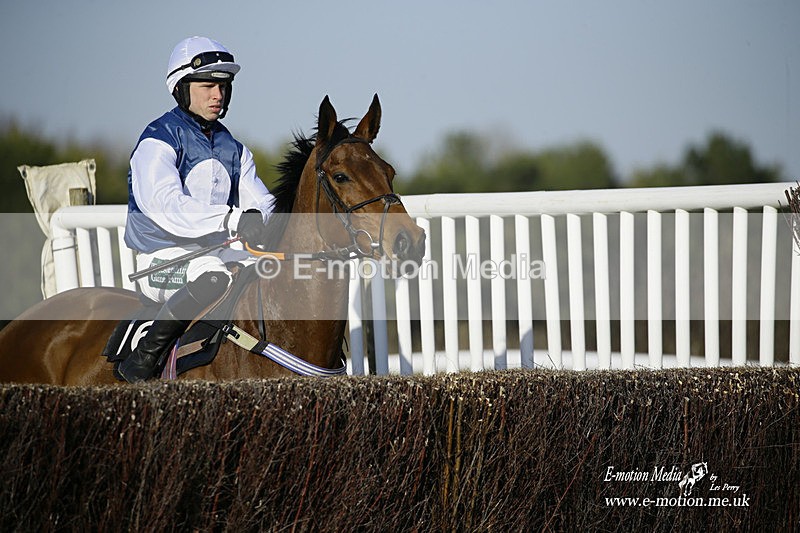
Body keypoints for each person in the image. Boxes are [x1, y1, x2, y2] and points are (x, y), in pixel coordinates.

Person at [118, 36, 275, 382]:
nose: (218, 95)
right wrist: (233, 218)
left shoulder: (234, 148)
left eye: (223, 86)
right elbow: (166, 205)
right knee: (212, 277)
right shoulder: (157, 141)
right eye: (207, 86)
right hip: (159, 261)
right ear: (181, 88)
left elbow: (263, 201)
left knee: (269, 275)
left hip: (216, 255)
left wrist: (257, 219)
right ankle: (142, 362)